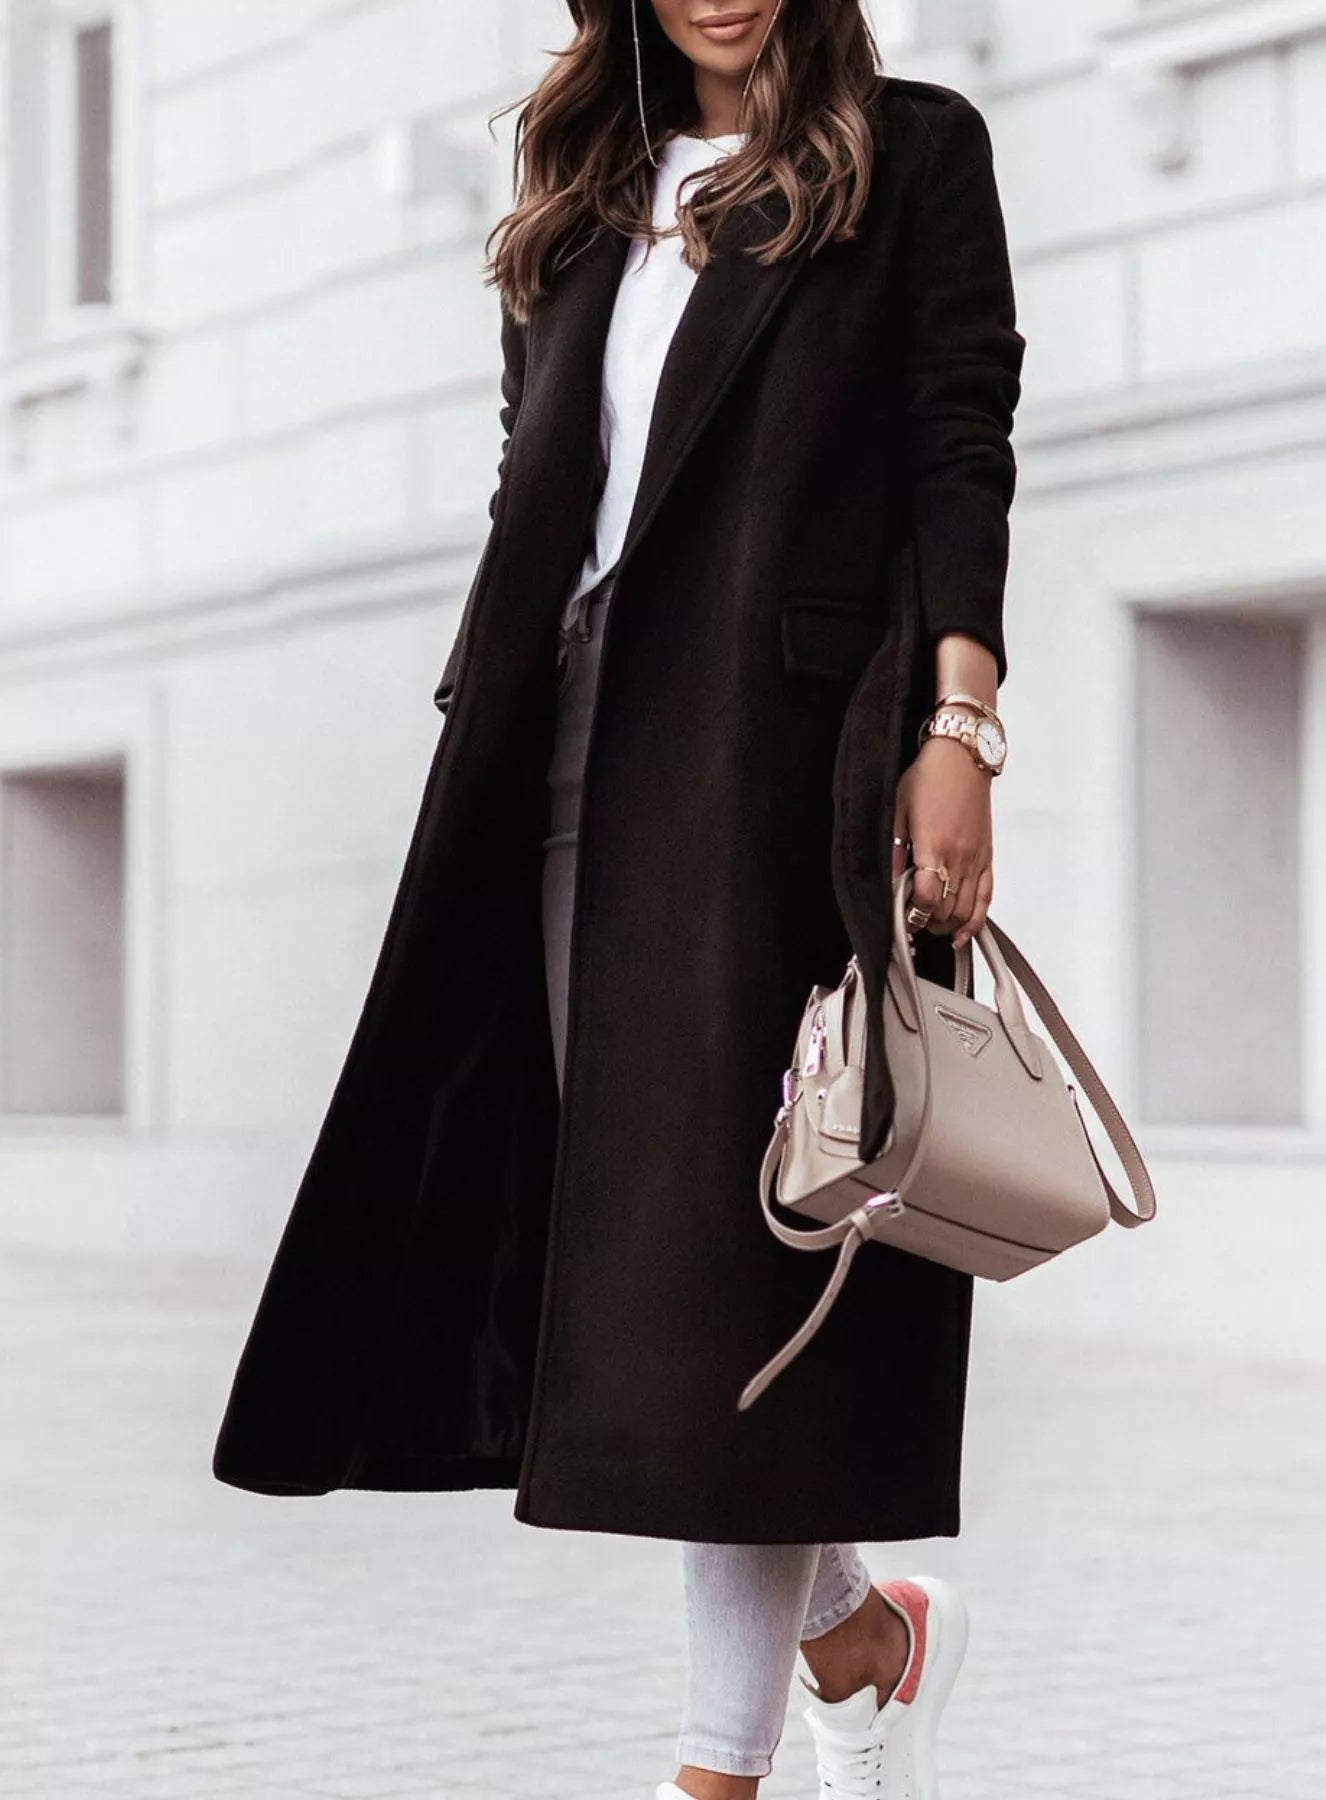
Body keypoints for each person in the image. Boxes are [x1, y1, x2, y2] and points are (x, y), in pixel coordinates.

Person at [211, 3, 1026, 1797]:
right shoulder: (579, 187)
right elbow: (542, 477)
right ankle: (859, 1642)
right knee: (657, 1272)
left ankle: (713, 1771)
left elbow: (958, 439)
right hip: (564, 756)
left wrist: (956, 720)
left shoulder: (913, 147)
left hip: (779, 762)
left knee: (738, 1260)